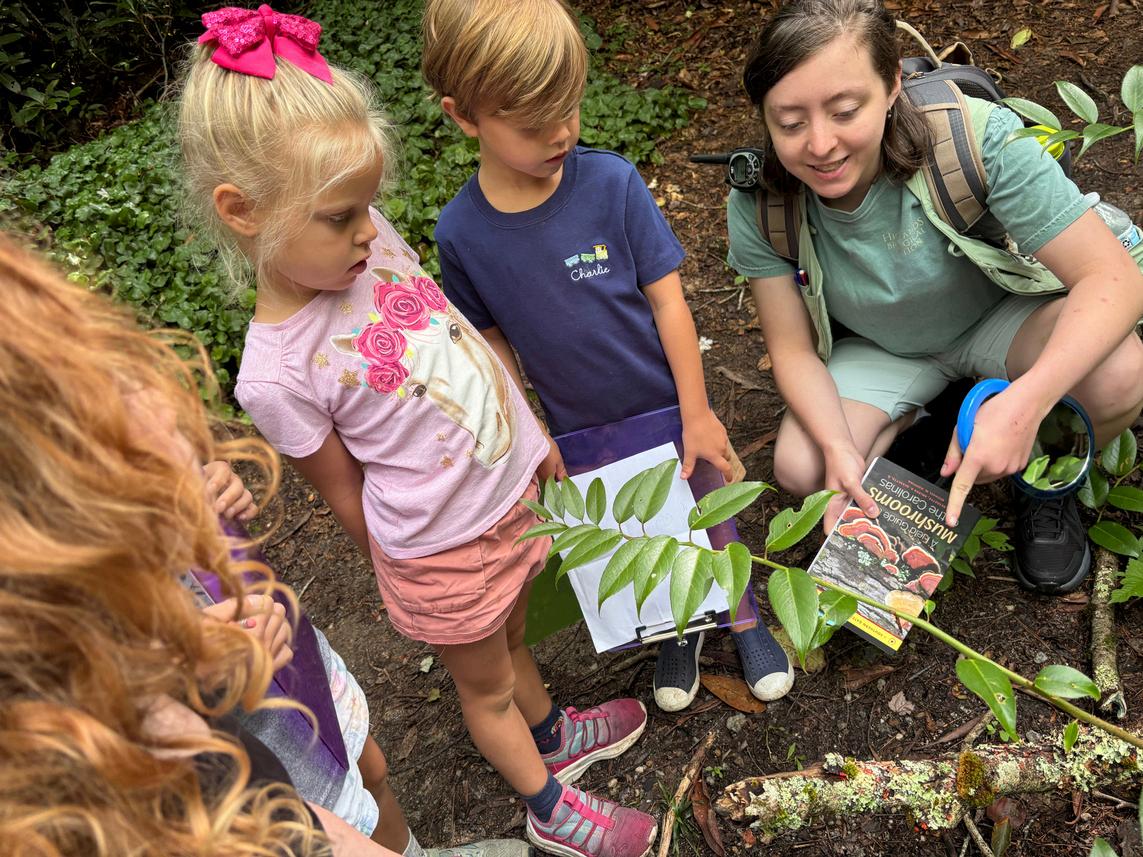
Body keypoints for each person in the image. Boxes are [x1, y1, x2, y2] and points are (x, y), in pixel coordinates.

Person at [175, 7, 658, 857]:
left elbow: (455, 337)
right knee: (485, 683)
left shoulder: (367, 245)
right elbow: (343, 491)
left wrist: (528, 430)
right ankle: (548, 806)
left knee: (513, 638)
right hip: (442, 550)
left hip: (505, 500)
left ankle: (550, 730)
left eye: (368, 206)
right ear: (243, 211)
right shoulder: (275, 371)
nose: (369, 228)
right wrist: (416, 583)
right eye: (340, 216)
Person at [421, 0, 794, 716]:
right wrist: (532, 433)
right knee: (634, 529)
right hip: (578, 428)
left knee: (706, 509)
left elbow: (669, 303)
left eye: (569, 108)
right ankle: (675, 629)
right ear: (464, 117)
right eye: (533, 124)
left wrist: (697, 411)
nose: (562, 132)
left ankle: (746, 619)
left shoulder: (610, 183)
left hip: (666, 403)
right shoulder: (461, 233)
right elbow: (490, 342)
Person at [0, 232, 401, 855]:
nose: (163, 410)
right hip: (264, 734)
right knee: (345, 803)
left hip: (299, 661)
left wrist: (210, 485)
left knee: (368, 763)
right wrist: (193, 669)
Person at [727, 0, 1143, 594]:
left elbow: (1113, 279)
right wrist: (839, 450)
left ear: (892, 84)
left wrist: (1025, 405)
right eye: (789, 123)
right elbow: (791, 349)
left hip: (1004, 315)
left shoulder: (970, 139)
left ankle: (1041, 474)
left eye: (845, 112)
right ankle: (935, 416)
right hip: (886, 344)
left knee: (1119, 374)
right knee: (803, 466)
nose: (820, 144)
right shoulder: (761, 199)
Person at [201, 462, 532, 857]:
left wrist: (218, 480)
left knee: (369, 767)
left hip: (290, 651)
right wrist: (183, 654)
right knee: (331, 822)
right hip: (229, 724)